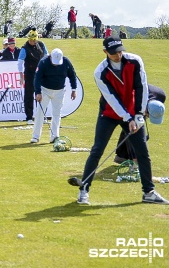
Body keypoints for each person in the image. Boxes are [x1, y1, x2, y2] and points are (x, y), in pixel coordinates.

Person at [77, 37, 168, 205]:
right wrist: (127, 118)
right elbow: (111, 99)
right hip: (109, 113)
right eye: (113, 53)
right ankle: (84, 190)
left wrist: (139, 114)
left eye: (120, 51)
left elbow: (141, 86)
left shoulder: (135, 61)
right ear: (105, 52)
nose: (118, 55)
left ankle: (148, 192)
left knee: (143, 152)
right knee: (97, 150)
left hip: (133, 111)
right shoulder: (100, 72)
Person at [30, 48, 77, 143]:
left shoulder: (66, 61)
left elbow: (72, 75)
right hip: (45, 90)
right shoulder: (43, 62)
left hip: (59, 91)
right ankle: (36, 136)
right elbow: (37, 78)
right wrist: (38, 92)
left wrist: (74, 89)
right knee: (40, 113)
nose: (56, 64)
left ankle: (54, 136)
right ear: (50, 56)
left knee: (57, 114)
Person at [114, 84, 165, 163]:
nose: (148, 117)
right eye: (148, 115)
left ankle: (121, 156)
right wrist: (135, 156)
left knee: (134, 128)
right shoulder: (136, 101)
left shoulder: (161, 96)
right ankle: (124, 156)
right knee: (132, 129)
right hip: (126, 96)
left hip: (144, 102)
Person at [18, 30, 48, 124]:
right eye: (30, 40)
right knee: (29, 95)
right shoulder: (24, 48)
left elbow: (46, 56)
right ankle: (29, 117)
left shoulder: (41, 45)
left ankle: (41, 116)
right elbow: (20, 62)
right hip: (30, 74)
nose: (32, 42)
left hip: (41, 74)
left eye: (33, 40)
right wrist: (21, 76)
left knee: (41, 95)